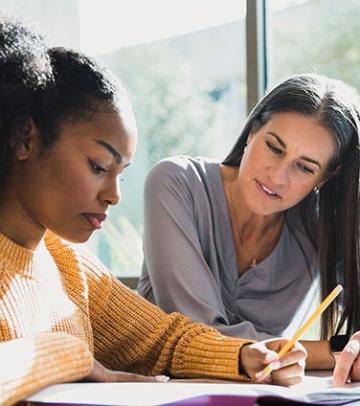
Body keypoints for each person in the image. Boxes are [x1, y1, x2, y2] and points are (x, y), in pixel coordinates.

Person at [0, 16, 307, 406]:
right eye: (98, 166)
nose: (113, 196)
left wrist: (244, 357)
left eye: (121, 175)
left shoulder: (67, 265)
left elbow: (164, 341)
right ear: (24, 138)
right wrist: (74, 356)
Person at [138, 73, 360, 372]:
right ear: (253, 130)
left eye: (305, 168)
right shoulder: (176, 183)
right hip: (157, 392)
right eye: (274, 147)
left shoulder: (323, 228)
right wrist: (334, 352)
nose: (277, 176)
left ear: (327, 177)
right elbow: (200, 337)